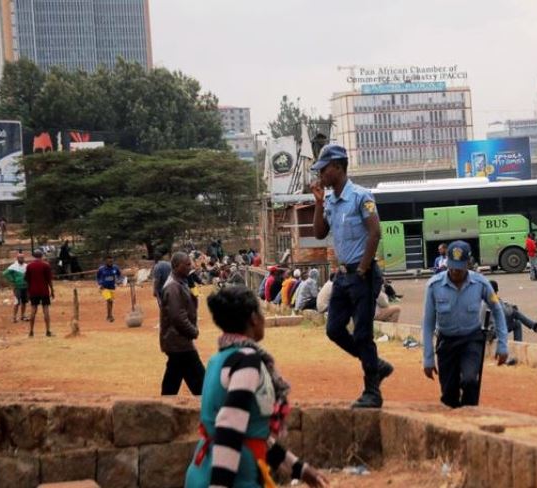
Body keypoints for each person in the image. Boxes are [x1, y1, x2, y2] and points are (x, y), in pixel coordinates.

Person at [184, 286, 329, 488]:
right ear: (253, 318)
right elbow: (229, 427)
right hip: (232, 478)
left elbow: (252, 434)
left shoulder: (218, 360)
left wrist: (300, 470)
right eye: (261, 312)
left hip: (204, 470)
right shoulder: (247, 362)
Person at [312, 144, 392, 408]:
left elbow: (375, 233)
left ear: (337, 167)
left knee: (362, 333)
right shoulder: (332, 201)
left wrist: (363, 269)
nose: (321, 175)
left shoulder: (360, 196)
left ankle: (372, 392)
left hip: (363, 273)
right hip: (343, 275)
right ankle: (376, 365)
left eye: (323, 170)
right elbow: (320, 233)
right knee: (334, 329)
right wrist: (319, 202)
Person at [421, 241, 508, 408]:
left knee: (469, 381)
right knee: (449, 395)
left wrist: (503, 345)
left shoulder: (481, 283)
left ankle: (470, 416)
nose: (455, 272)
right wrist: (428, 358)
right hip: (447, 343)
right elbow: (428, 323)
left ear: (468, 263)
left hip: (471, 340)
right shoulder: (434, 285)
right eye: (452, 267)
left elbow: (497, 310)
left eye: (459, 268)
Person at [160, 252, 205, 396]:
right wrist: (193, 331)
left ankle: (163, 406)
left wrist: (192, 286)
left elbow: (192, 305)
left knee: (172, 380)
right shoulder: (173, 287)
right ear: (176, 266)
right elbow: (177, 317)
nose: (190, 267)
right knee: (201, 383)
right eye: (186, 265)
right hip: (179, 342)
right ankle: (207, 409)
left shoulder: (180, 283)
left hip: (178, 342)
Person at [24, 249, 55, 338]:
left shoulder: (29, 266)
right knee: (46, 310)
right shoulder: (46, 265)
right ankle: (48, 331)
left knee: (33, 310)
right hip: (44, 291)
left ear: (34, 256)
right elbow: (49, 280)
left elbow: (27, 280)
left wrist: (28, 292)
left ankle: (31, 331)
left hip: (33, 291)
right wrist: (52, 290)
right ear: (41, 256)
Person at [2, 252, 29, 323]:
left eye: (23, 258)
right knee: (17, 302)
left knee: (24, 302)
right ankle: (14, 317)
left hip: (25, 287)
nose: (22, 259)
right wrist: (12, 280)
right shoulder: (13, 266)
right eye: (20, 258)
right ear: (17, 258)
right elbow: (5, 273)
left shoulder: (26, 266)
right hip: (17, 287)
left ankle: (23, 315)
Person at [96, 255, 123, 322]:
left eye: (111, 261)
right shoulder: (101, 269)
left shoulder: (115, 268)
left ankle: (108, 315)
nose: (110, 263)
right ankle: (110, 316)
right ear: (106, 262)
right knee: (109, 300)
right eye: (109, 261)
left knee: (111, 302)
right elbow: (98, 277)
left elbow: (120, 275)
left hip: (112, 287)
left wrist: (119, 281)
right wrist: (100, 283)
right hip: (104, 288)